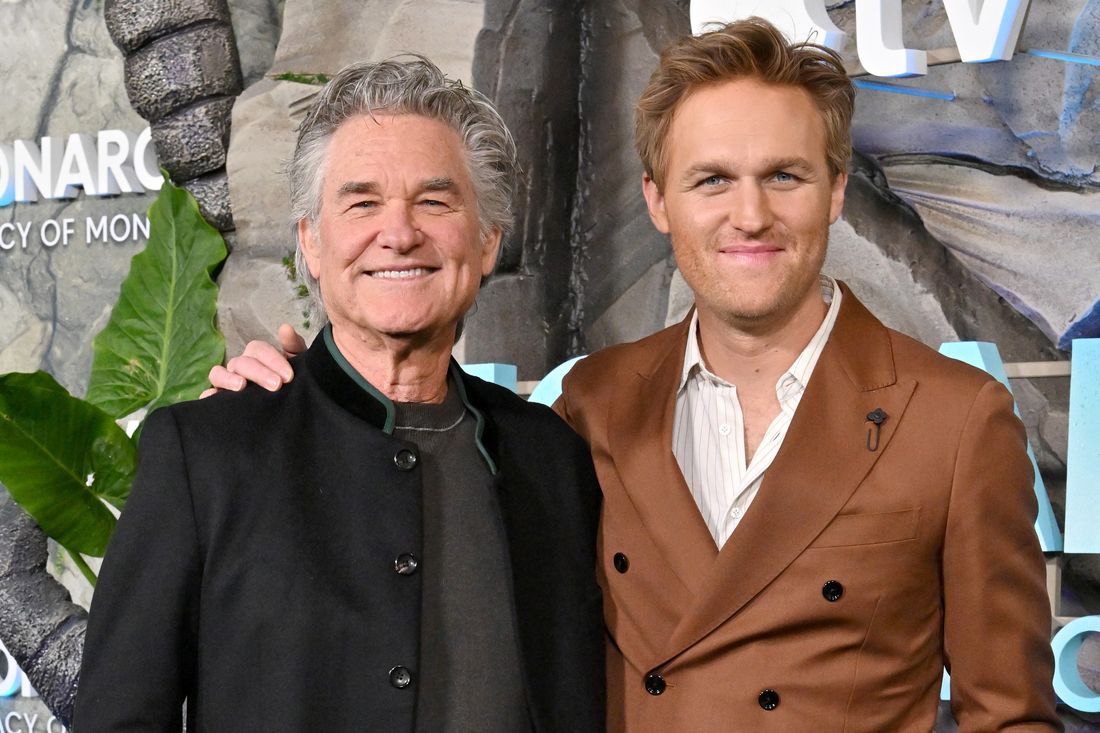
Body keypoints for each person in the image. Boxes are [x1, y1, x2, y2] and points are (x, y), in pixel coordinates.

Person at [211, 19, 1060, 733]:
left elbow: (1011, 716)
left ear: (835, 191)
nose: (750, 215)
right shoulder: (588, 406)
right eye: (712, 180)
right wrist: (297, 407)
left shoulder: (954, 420)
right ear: (657, 201)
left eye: (785, 176)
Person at [74, 57, 605, 732]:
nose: (399, 234)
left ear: (487, 242)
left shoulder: (551, 458)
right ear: (312, 244)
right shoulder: (206, 453)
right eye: (362, 203)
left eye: (434, 202)